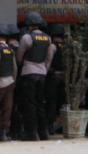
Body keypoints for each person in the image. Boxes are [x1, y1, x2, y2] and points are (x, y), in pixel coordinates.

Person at [16, 11, 55, 141]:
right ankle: (44, 132)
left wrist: (22, 66)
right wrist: (44, 68)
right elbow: (49, 57)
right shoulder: (48, 38)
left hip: (29, 73)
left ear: (28, 24)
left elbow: (20, 55)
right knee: (39, 103)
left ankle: (31, 132)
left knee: (29, 103)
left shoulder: (27, 37)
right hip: (42, 73)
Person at [45, 24, 67, 135]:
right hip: (65, 78)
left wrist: (44, 74)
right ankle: (64, 126)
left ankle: (50, 126)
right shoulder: (67, 46)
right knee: (63, 103)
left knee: (51, 102)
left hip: (53, 77)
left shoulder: (52, 46)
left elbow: (48, 62)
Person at [7, 24, 24, 140]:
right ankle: (20, 130)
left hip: (11, 81)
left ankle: (13, 131)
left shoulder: (8, 48)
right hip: (24, 80)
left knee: (11, 107)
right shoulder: (23, 48)